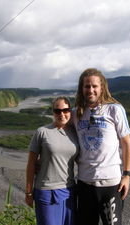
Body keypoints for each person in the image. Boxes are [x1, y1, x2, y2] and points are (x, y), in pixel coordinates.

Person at [73, 68, 130, 225]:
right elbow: (59, 134)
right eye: (87, 86)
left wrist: (126, 175)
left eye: (94, 86)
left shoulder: (114, 109)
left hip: (111, 183)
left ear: (102, 87)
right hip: (84, 182)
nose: (90, 90)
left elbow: (126, 144)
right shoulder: (76, 114)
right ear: (81, 88)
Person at [25, 96, 79, 225]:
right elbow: (31, 163)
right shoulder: (42, 132)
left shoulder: (76, 133)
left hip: (69, 190)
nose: (62, 114)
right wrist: (28, 192)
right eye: (57, 111)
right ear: (53, 112)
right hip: (46, 191)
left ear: (70, 111)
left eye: (65, 110)